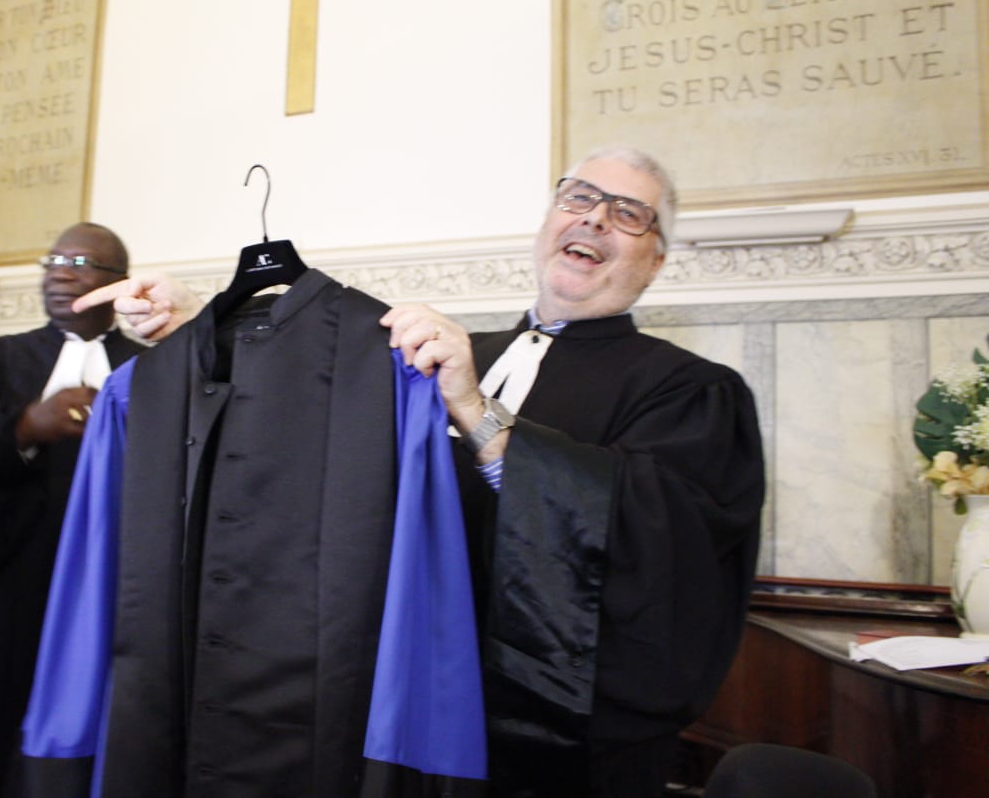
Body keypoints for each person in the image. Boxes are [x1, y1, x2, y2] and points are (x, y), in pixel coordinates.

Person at [73, 146, 765, 797]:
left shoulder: (692, 391)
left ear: (656, 259)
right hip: (399, 707)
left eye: (628, 212)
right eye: (579, 197)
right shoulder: (447, 350)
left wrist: (475, 412)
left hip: (557, 732)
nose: (594, 218)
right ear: (548, 221)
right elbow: (307, 419)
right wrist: (202, 330)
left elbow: (657, 537)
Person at [0, 223, 146, 798]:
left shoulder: (153, 368)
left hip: (118, 582)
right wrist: (24, 426)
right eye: (53, 261)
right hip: (12, 578)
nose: (60, 273)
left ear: (118, 282)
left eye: (80, 262)